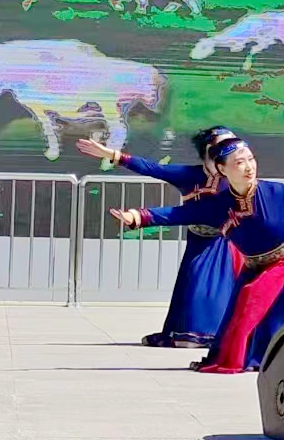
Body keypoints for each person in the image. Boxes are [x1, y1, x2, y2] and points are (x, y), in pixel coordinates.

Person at [110, 134, 284, 373]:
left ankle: (273, 360)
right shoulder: (217, 205)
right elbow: (178, 214)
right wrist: (138, 217)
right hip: (253, 268)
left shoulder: (279, 194)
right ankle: (255, 358)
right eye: (239, 162)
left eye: (250, 159)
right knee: (239, 318)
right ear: (222, 169)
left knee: (260, 310)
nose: (248, 167)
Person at [76, 127, 243, 348]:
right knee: (193, 283)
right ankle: (191, 332)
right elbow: (152, 168)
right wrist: (111, 155)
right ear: (209, 151)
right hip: (199, 240)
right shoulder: (189, 175)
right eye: (223, 147)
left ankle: (223, 334)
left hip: (229, 242)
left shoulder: (238, 179)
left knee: (229, 287)